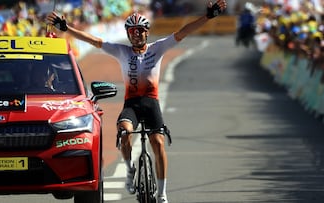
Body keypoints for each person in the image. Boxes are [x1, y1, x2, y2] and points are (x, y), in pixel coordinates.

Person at [47, 1, 227, 202]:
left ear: (147, 32)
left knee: (158, 143)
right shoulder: (122, 52)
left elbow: (183, 32)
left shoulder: (157, 49)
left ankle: (162, 194)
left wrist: (208, 17)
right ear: (128, 34)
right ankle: (130, 170)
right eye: (132, 30)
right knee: (124, 132)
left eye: (140, 30)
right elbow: (94, 41)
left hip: (151, 103)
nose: (136, 34)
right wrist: (66, 28)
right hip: (131, 105)